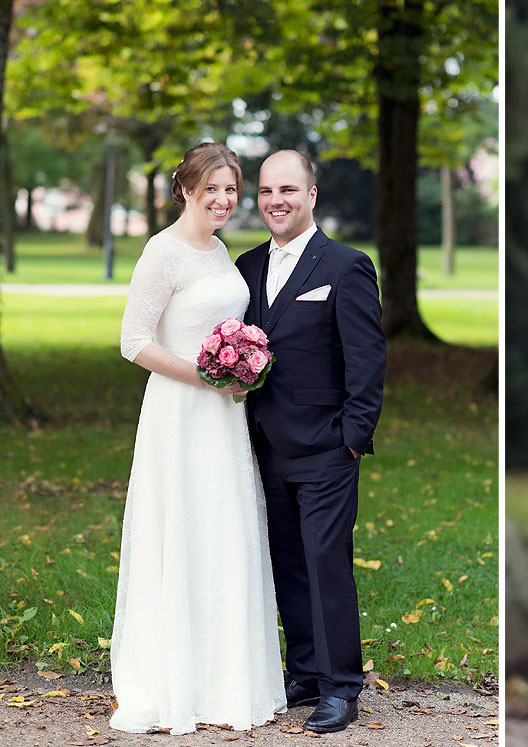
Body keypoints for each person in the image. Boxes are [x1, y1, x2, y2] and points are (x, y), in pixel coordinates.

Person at [113, 143, 286, 734]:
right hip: (181, 412)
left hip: (224, 416)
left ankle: (225, 681)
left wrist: (238, 376)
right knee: (182, 531)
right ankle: (174, 682)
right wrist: (208, 375)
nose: (222, 200)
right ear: (185, 189)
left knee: (224, 531)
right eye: (211, 189)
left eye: (231, 190)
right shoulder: (162, 253)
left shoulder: (219, 251)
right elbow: (133, 340)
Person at [234, 150, 386, 734]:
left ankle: (341, 686)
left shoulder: (346, 266)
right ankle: (303, 671)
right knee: (287, 562)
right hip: (263, 444)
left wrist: (352, 438)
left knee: (326, 565)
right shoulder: (246, 267)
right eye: (268, 191)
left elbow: (368, 361)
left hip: (326, 446)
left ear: (312, 195)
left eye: (289, 190)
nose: (277, 201)